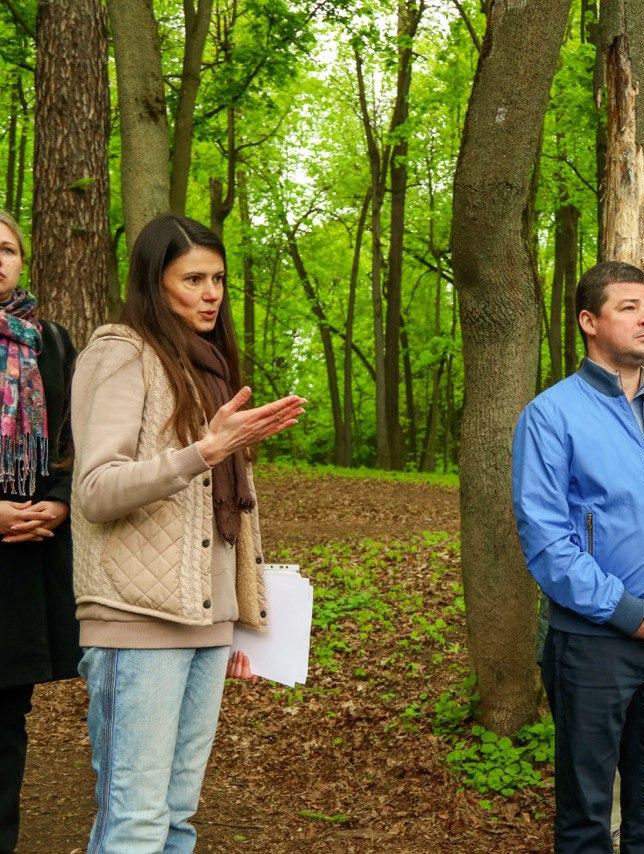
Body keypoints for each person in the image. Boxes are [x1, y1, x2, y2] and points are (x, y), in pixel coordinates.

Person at [70, 214, 304, 852]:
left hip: (203, 620)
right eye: (193, 278)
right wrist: (202, 452)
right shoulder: (121, 354)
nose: (211, 293)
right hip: (135, 621)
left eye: (219, 279)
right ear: (155, 282)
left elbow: (221, 517)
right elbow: (95, 491)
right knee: (137, 821)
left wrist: (237, 616)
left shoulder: (211, 368)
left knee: (177, 819)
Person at [513, 260, 644, 853]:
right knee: (587, 813)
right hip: (593, 646)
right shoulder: (551, 416)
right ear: (589, 322)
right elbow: (548, 543)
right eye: (628, 308)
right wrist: (630, 612)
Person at [0, 210, 79, 854]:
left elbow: (80, 440)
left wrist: (57, 501)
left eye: (7, 249)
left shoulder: (51, 341)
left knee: (5, 719)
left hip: (25, 553)